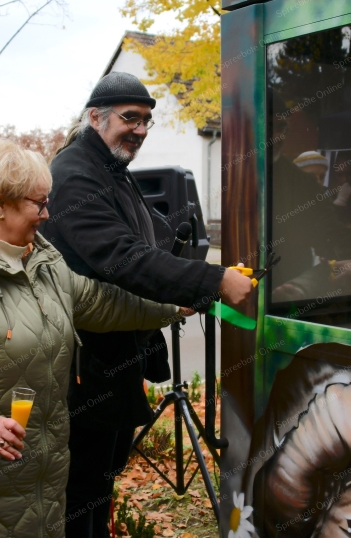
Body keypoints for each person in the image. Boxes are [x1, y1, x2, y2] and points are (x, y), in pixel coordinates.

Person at [0, 141, 184, 538]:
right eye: (38, 203)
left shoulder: (40, 260)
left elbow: (100, 302)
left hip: (37, 480)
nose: (47, 213)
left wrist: (175, 303)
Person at [39, 71, 253, 537]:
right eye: (129, 118)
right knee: (82, 487)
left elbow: (152, 241)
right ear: (95, 117)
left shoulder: (111, 170)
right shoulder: (74, 175)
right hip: (84, 360)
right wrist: (213, 280)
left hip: (115, 355)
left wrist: (194, 268)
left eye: (146, 121)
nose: (139, 129)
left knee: (101, 478)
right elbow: (123, 257)